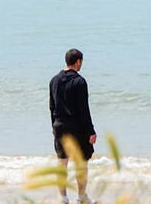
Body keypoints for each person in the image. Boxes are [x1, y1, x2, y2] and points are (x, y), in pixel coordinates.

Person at [49, 48, 96, 204]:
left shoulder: (54, 80)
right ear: (78, 62)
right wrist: (91, 131)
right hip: (77, 128)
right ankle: (81, 196)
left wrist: (53, 128)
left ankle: (63, 197)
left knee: (62, 163)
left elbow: (52, 106)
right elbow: (84, 109)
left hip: (60, 127)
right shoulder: (80, 82)